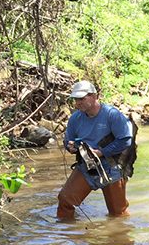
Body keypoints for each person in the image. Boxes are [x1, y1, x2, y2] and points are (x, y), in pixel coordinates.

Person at [57, 80, 134, 219]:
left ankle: (120, 238)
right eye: (76, 99)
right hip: (87, 166)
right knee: (65, 201)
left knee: (118, 213)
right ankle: (67, 235)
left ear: (94, 96)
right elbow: (68, 141)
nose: (78, 102)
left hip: (111, 167)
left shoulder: (112, 114)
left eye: (81, 98)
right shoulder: (75, 118)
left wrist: (101, 152)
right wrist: (70, 147)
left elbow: (126, 140)